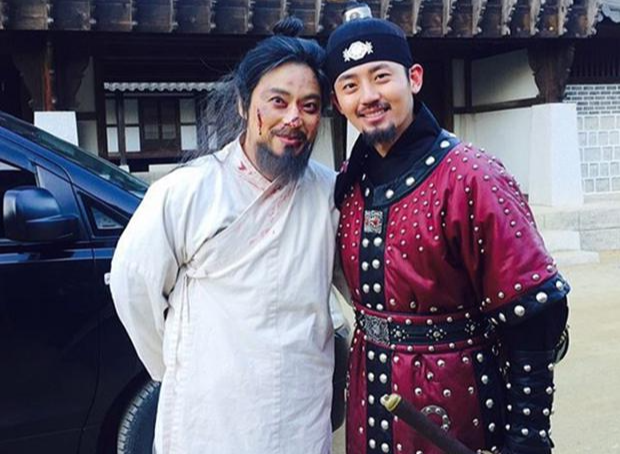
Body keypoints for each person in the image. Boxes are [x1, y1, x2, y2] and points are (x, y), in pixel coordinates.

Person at [324, 3, 570, 454]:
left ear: (414, 79)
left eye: (381, 77)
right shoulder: (349, 185)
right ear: (338, 102)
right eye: (350, 85)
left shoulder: (473, 176)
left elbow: (535, 314)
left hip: (457, 407)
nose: (368, 96)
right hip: (369, 403)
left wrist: (528, 436)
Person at [110, 18, 339, 454]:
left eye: (309, 106)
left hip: (299, 409)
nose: (294, 118)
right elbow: (133, 286)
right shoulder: (186, 191)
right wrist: (178, 364)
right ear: (243, 104)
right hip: (209, 413)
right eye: (278, 101)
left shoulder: (329, 193)